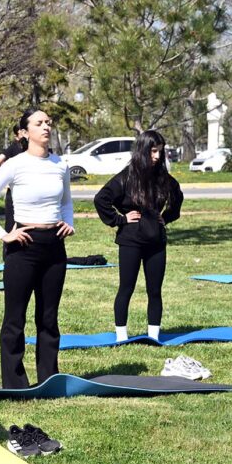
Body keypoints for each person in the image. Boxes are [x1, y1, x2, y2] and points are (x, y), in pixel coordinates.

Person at [0, 108, 74, 389]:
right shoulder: (15, 165)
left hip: (54, 246)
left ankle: (49, 378)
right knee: (15, 318)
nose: (46, 127)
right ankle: (15, 382)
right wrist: (5, 235)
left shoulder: (60, 165)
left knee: (49, 317)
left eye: (48, 123)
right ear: (25, 132)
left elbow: (66, 202)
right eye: (39, 123)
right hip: (23, 246)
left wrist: (69, 222)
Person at [94, 130, 183, 342]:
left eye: (160, 152)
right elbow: (101, 199)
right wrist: (120, 220)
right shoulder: (126, 177)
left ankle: (154, 336)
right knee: (127, 287)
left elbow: (177, 198)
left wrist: (167, 217)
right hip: (131, 241)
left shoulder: (163, 178)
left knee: (155, 290)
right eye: (153, 151)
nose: (157, 156)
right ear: (143, 150)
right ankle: (121, 336)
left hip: (156, 242)